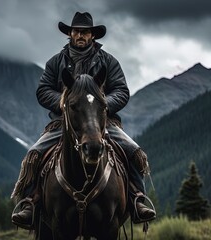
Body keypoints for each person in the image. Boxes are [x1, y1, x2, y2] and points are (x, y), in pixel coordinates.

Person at [11, 12, 156, 229]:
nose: (80, 34)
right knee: (34, 154)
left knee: (133, 151)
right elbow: (43, 91)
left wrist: (99, 105)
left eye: (85, 31)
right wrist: (64, 103)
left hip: (102, 122)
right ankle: (30, 203)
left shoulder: (108, 61)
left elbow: (122, 91)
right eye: (76, 31)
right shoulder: (55, 62)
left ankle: (137, 199)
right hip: (64, 122)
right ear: (69, 33)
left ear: (92, 36)